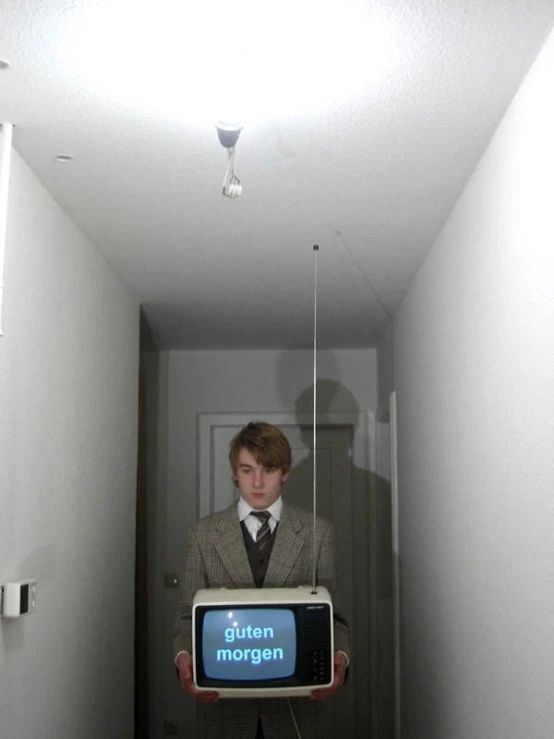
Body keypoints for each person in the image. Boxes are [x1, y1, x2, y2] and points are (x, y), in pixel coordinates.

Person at [173, 421, 350, 739]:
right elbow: (187, 617)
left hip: (296, 711)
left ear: (284, 472)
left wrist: (341, 659)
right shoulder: (202, 535)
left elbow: (333, 618)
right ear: (233, 473)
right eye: (246, 470)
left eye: (267, 470)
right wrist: (183, 659)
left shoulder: (318, 533)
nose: (256, 482)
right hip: (224, 712)